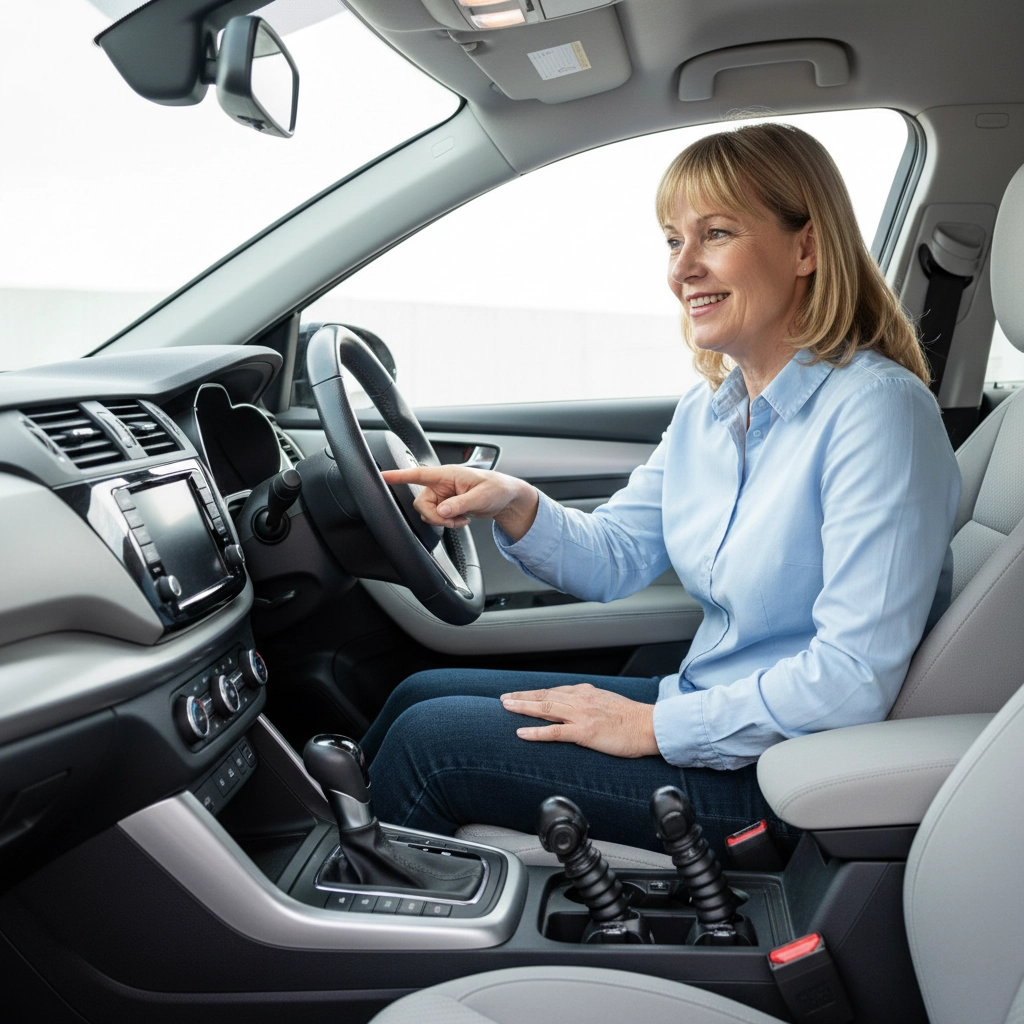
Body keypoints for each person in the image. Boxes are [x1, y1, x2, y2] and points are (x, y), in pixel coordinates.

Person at [363, 123, 961, 857]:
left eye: (715, 234)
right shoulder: (708, 413)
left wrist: (649, 728)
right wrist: (513, 501)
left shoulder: (878, 411)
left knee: (431, 743)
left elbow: (849, 679)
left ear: (806, 248)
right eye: (674, 242)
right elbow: (614, 556)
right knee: (416, 695)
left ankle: (355, 947)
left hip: (782, 773)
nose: (684, 270)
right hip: (708, 712)